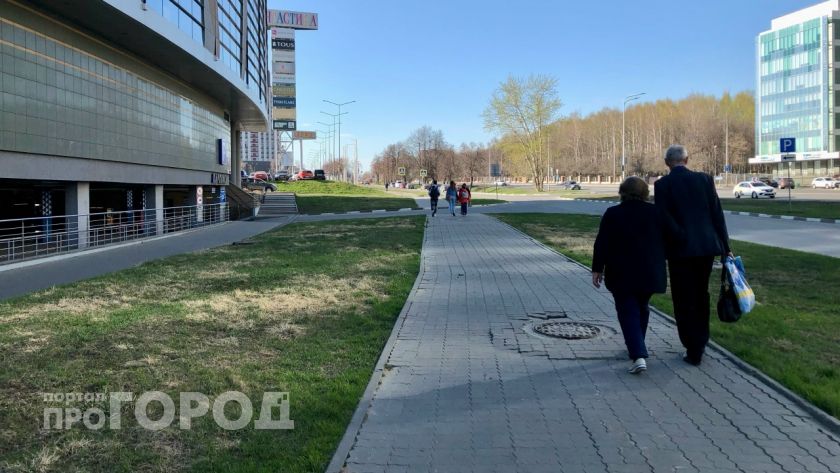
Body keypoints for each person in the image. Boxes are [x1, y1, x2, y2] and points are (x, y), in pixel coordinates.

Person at [655, 144, 731, 366]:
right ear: (686, 160)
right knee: (701, 294)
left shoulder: (663, 185)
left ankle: (692, 346)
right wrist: (725, 247)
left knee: (682, 297)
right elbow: (717, 214)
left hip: (680, 251)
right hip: (706, 248)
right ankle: (701, 340)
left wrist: (679, 236)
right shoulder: (705, 180)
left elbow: (664, 218)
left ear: (667, 163)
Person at [592, 177, 666, 374]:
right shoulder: (656, 213)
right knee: (642, 307)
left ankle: (638, 355)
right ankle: (637, 345)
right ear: (645, 193)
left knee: (627, 311)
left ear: (622, 192)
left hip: (621, 272)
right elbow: (671, 238)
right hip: (650, 272)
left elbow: (602, 243)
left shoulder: (613, 213)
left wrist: (597, 269)